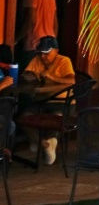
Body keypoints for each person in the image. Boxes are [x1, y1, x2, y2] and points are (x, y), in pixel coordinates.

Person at [21, 36, 75, 165]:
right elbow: (26, 74)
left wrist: (51, 76)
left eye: (47, 53)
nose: (43, 56)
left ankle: (49, 142)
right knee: (23, 118)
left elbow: (71, 81)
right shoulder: (37, 60)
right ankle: (43, 144)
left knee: (55, 119)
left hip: (62, 101)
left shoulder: (64, 61)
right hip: (42, 100)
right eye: (41, 53)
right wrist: (30, 76)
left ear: (56, 50)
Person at [18, 0, 57, 65]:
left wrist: (17, 39)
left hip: (34, 43)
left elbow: (31, 19)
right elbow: (55, 23)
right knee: (44, 77)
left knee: (28, 77)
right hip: (51, 43)